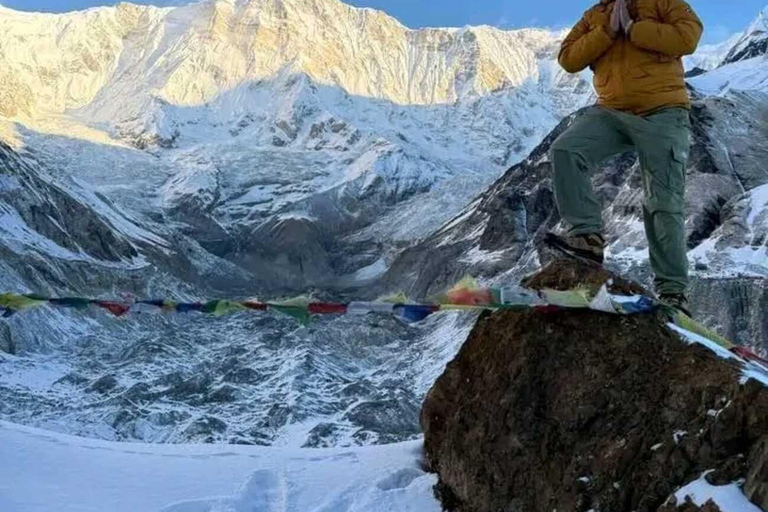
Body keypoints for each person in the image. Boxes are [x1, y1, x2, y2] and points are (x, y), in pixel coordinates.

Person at [547, 0, 703, 316]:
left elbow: (688, 37)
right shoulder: (596, 15)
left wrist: (634, 28)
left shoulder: (664, 3)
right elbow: (568, 59)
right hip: (611, 111)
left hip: (663, 111)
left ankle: (673, 293)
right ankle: (587, 239)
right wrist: (608, 30)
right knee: (565, 150)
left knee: (662, 201)